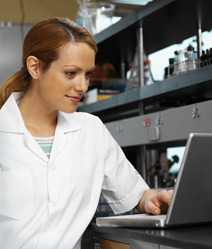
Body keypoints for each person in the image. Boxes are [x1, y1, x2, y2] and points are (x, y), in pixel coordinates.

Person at [0, 17, 173, 249]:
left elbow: (135, 195)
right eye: (71, 73)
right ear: (35, 67)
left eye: (87, 74)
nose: (82, 86)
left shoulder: (91, 130)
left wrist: (152, 199)